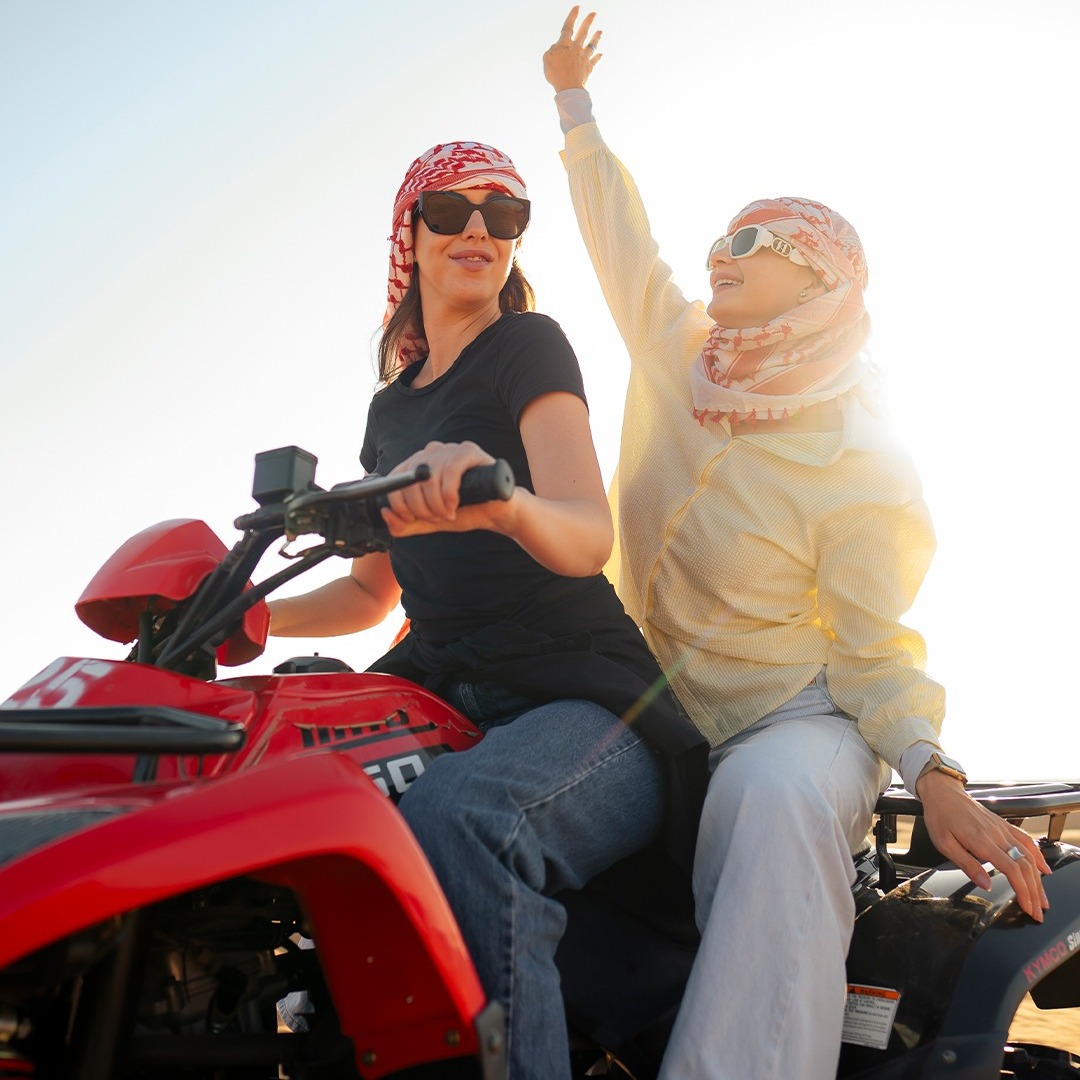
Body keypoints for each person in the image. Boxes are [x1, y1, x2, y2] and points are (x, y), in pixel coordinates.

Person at [543, 10, 1052, 1078]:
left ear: (821, 280)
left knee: (767, 801)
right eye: (719, 238)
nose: (714, 257)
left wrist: (934, 768)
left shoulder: (868, 459)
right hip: (653, 708)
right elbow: (616, 233)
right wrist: (573, 106)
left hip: (795, 719)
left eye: (747, 243)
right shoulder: (680, 351)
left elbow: (873, 647)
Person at [267, 139, 707, 1080]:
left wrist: (500, 502)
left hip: (585, 697)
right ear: (410, 234)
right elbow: (369, 593)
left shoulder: (529, 346)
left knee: (467, 818)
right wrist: (255, 626)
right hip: (447, 693)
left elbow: (587, 533)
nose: (478, 229)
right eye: (452, 211)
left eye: (503, 215)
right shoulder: (391, 414)